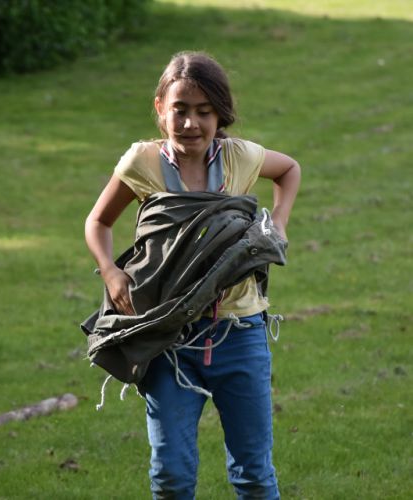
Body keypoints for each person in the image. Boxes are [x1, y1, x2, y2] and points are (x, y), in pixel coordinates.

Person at [85, 51, 301, 500]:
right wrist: (110, 272)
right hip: (168, 339)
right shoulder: (142, 162)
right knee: (172, 477)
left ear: (220, 114)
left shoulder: (241, 158)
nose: (190, 123)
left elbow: (289, 170)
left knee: (254, 474)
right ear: (160, 108)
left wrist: (278, 224)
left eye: (204, 111)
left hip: (240, 334)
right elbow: (98, 222)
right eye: (180, 109)